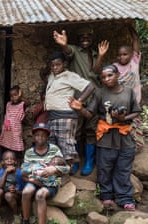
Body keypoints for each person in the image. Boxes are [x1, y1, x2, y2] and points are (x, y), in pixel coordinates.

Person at [69, 65, 141, 211]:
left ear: (117, 74)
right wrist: (80, 108)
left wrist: (123, 118)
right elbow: (90, 113)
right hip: (105, 137)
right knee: (105, 168)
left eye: (110, 75)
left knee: (123, 169)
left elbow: (136, 111)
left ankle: (125, 198)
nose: (106, 79)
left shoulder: (128, 92)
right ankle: (107, 197)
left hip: (124, 137)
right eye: (103, 77)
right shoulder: (100, 93)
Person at [53, 27, 107, 176]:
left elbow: (96, 72)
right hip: (78, 99)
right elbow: (68, 51)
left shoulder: (96, 53)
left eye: (88, 35)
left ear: (92, 37)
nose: (85, 38)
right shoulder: (75, 51)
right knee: (75, 132)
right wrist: (63, 44)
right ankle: (75, 162)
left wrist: (101, 56)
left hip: (94, 98)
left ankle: (89, 162)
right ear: (77, 39)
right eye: (82, 36)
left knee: (91, 131)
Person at [15, 122, 70, 224]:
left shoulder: (54, 150)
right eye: (37, 135)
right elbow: (24, 170)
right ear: (33, 137)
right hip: (34, 180)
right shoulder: (29, 152)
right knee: (27, 191)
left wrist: (53, 169)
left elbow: (66, 168)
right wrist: (32, 177)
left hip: (50, 183)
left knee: (40, 195)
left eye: (43, 135)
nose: (40, 137)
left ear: (47, 137)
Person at [97, 22, 144, 148]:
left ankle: (134, 148)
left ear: (131, 54)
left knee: (134, 126)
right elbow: (99, 72)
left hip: (134, 102)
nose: (121, 57)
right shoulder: (115, 67)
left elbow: (135, 39)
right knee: (119, 127)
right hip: (119, 103)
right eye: (119, 54)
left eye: (125, 54)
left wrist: (128, 25)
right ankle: (121, 148)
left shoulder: (134, 61)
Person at [44, 51, 94, 167]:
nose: (55, 67)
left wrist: (79, 101)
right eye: (52, 65)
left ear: (64, 64)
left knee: (66, 148)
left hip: (65, 117)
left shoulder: (69, 76)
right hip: (53, 117)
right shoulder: (52, 76)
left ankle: (67, 174)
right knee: (53, 147)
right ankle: (57, 173)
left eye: (58, 64)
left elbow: (90, 86)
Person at [0, 150, 25, 224]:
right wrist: (6, 173)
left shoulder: (19, 173)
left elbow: (24, 191)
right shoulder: (2, 171)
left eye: (12, 159)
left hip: (16, 196)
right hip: (3, 196)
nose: (9, 161)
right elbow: (0, 186)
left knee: (8, 195)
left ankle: (17, 216)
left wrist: (15, 191)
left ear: (15, 162)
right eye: (6, 159)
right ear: (3, 162)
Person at [0, 85, 28, 163]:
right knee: (6, 144)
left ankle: (17, 162)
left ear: (19, 94)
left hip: (16, 129)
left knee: (16, 145)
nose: (13, 97)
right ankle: (6, 161)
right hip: (7, 130)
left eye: (15, 95)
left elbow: (28, 103)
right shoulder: (8, 104)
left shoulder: (22, 105)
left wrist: (21, 96)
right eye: (11, 96)